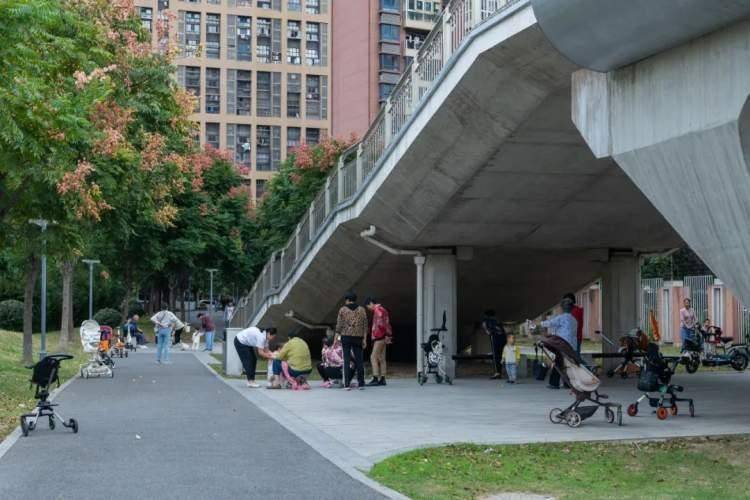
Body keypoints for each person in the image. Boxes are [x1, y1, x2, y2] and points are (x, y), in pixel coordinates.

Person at [540, 298, 578, 389]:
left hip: (562, 345)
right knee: (567, 364)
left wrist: (537, 324)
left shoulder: (561, 317)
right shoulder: (574, 320)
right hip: (571, 346)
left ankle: (554, 383)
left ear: (562, 308)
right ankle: (568, 383)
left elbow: (550, 323)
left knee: (558, 363)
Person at [334, 291, 368, 390]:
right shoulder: (362, 310)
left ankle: (347, 384)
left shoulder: (342, 310)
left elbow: (339, 326)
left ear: (347, 300)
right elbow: (365, 326)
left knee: (346, 360)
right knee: (359, 361)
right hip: (358, 338)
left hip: (346, 337)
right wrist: (365, 339)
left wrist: (335, 338)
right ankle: (361, 384)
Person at [364, 297, 393, 386]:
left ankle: (375, 377)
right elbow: (387, 323)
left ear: (371, 303)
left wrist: (376, 333)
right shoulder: (383, 309)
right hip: (384, 337)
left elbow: (381, 324)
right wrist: (388, 335)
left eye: (368, 306)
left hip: (379, 337)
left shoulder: (378, 310)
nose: (368, 309)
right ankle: (383, 378)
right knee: (382, 358)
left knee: (373, 357)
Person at [482, 309, 506, 380]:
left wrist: (485, 328)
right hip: (503, 338)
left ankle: (497, 373)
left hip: (495, 338)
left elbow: (489, 332)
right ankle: (500, 372)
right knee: (500, 355)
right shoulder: (497, 321)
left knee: (496, 356)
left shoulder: (487, 321)